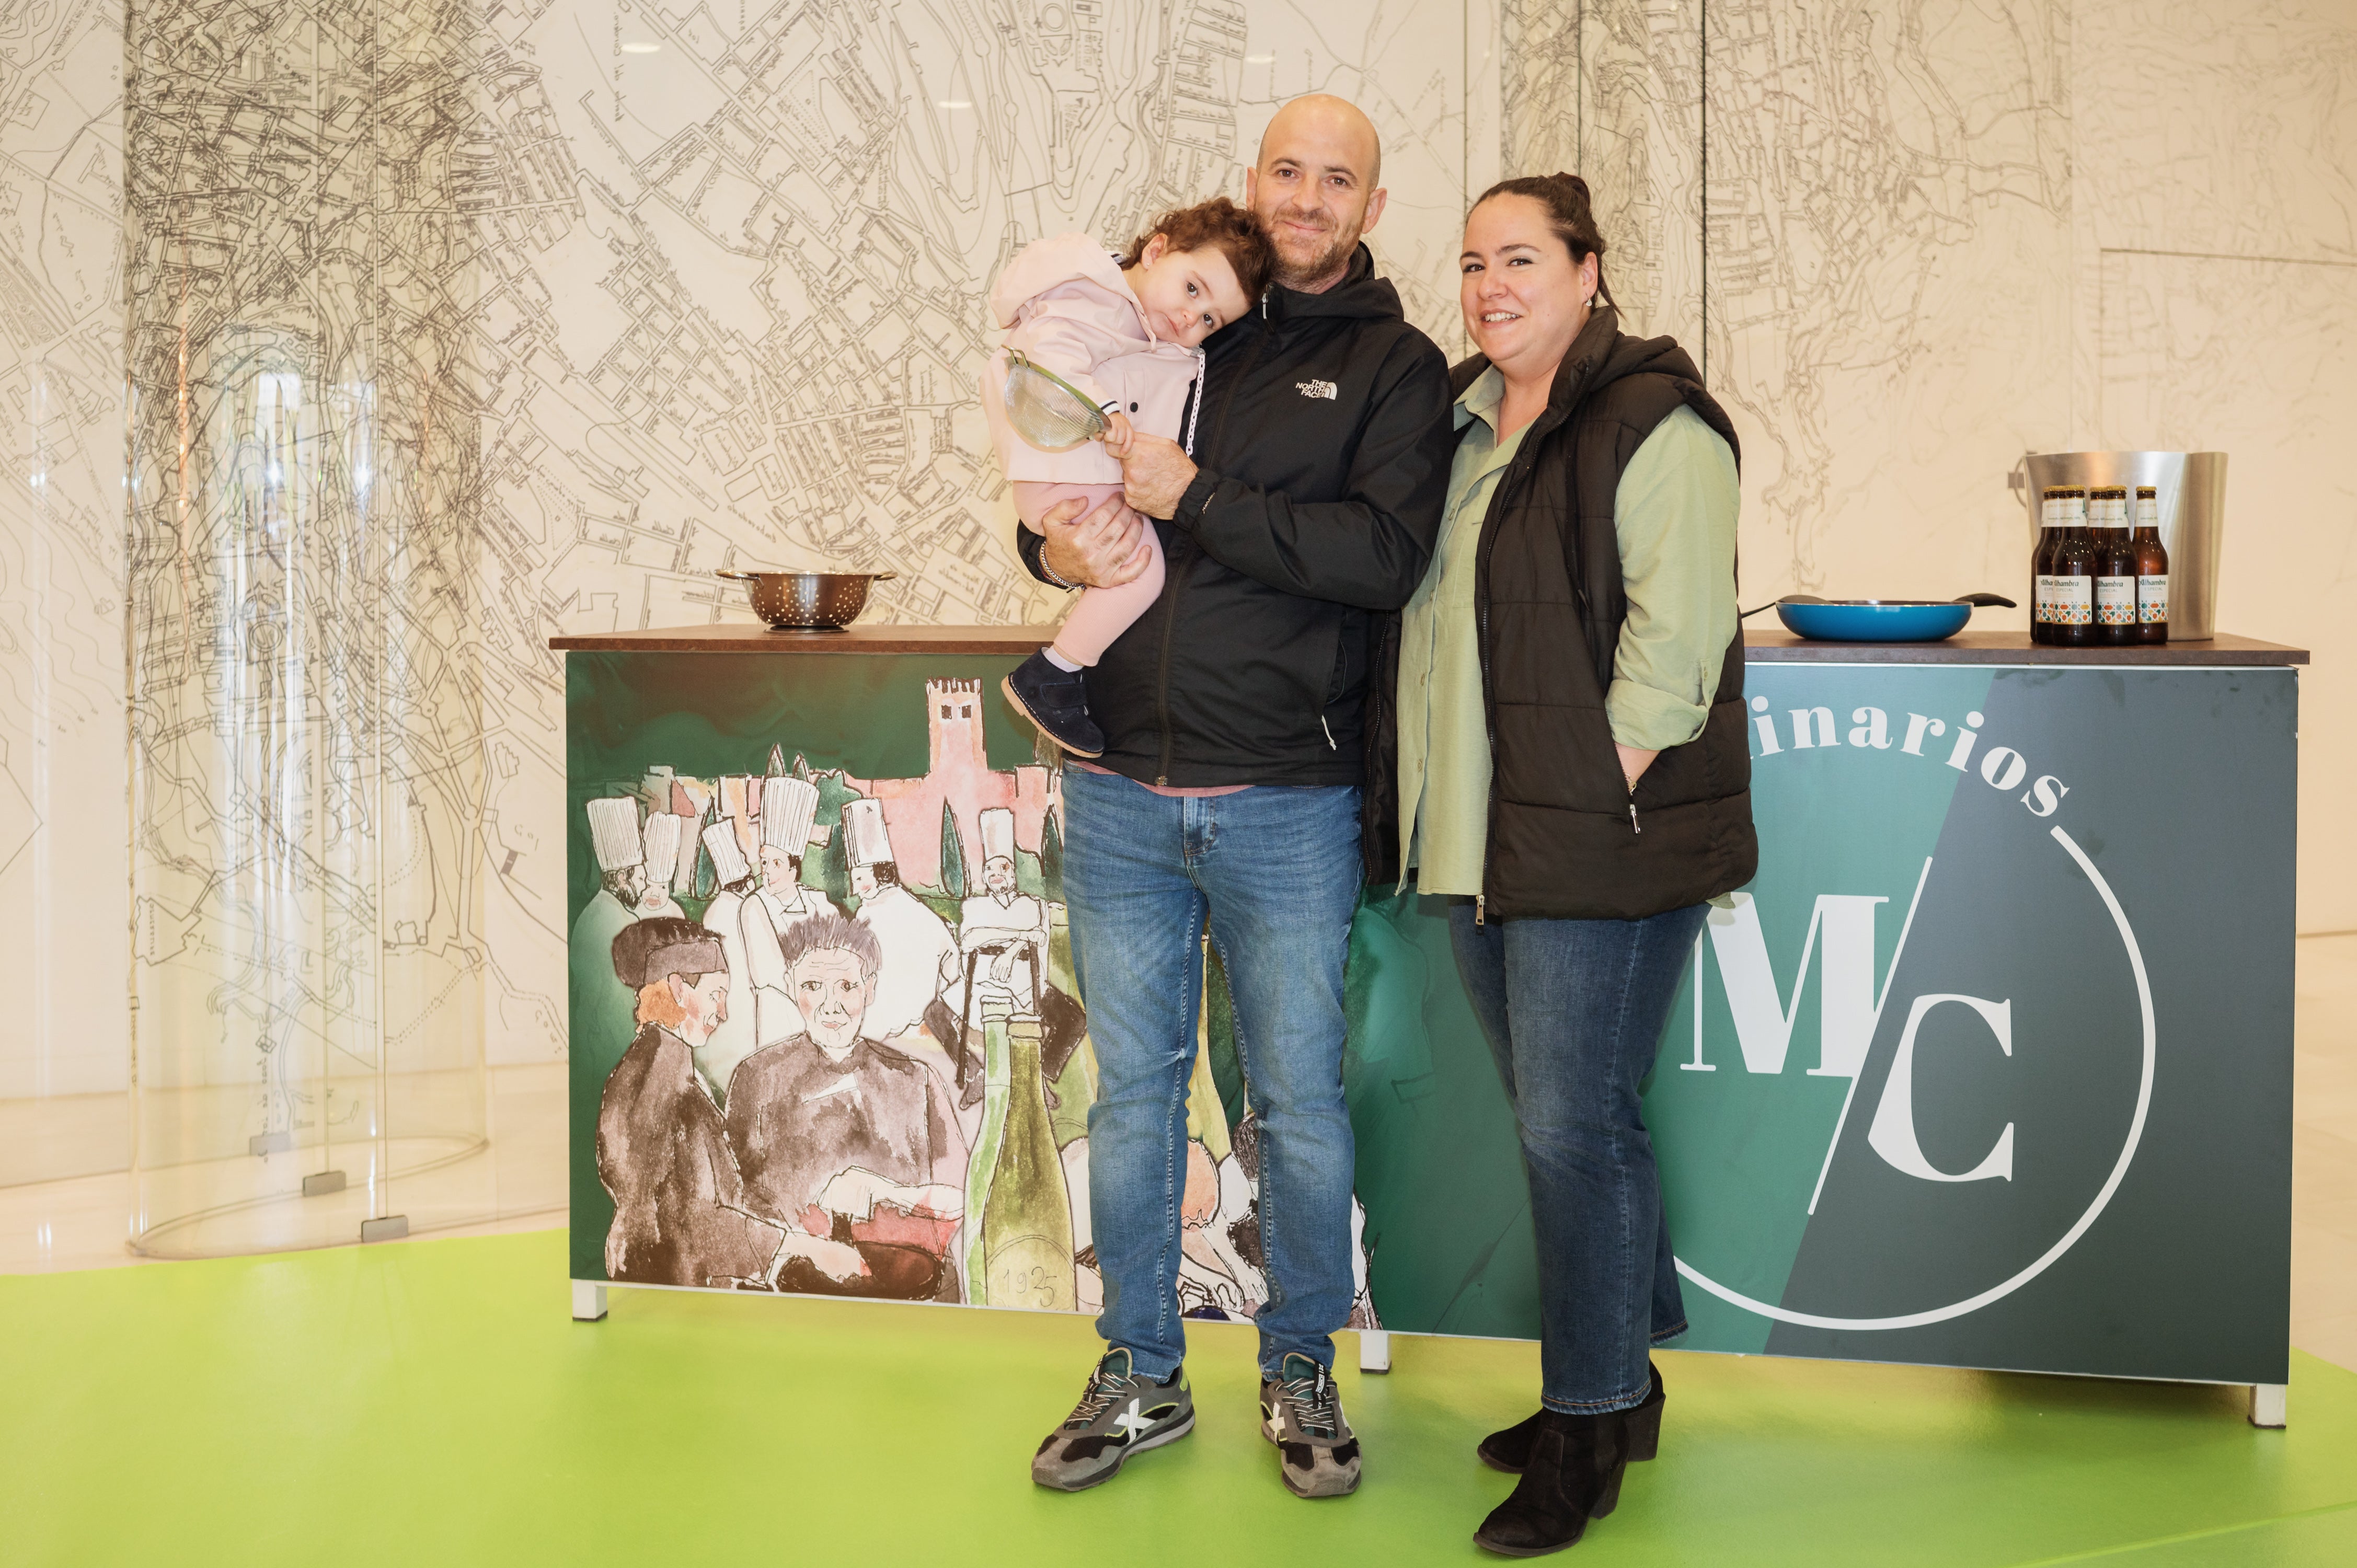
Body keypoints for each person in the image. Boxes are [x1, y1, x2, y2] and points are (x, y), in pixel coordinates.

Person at [1022, 94, 1455, 1500]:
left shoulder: (1394, 367)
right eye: (1287, 170)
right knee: (1133, 1099)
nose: (1307, 197)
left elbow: (1382, 555)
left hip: (1284, 797)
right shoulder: (1172, 321)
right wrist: (1054, 556)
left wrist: (1194, 494)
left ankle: (1301, 1367)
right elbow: (1060, 476)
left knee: (1298, 1104)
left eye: (1338, 180)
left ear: (1369, 210)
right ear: (1249, 182)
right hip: (1119, 791)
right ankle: (1139, 1373)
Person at [1369, 173, 1754, 1555]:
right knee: (1568, 1115)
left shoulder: (1652, 421)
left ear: (1589, 271)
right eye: (1470, 263)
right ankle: (1620, 1385)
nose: (1488, 286)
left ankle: (1585, 1422)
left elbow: (1675, 644)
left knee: (1567, 1130)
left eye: (1519, 258)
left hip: (1593, 847)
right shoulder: (1465, 427)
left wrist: (1601, 792)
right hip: (1476, 849)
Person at [988, 200, 1274, 758]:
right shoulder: (1094, 299)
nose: (1192, 320)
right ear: (1158, 249)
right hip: (1066, 474)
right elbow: (1050, 355)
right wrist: (1106, 410)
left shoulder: (1140, 325)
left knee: (1132, 571)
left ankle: (1057, 674)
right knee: (1141, 575)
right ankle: (1052, 675)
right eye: (1193, 289)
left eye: (1211, 319)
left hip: (1070, 476)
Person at [725, 912, 968, 1301]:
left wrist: (880, 1192)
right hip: (798, 1294)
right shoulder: (758, 1077)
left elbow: (963, 1195)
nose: (830, 1006)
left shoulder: (915, 1079)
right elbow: (736, 1201)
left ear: (869, 989)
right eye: (812, 986)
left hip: (918, 1292)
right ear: (789, 986)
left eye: (846, 987)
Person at [595, 918, 797, 1288]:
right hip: (671, 1283)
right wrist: (793, 1247)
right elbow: (693, 1220)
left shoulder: (661, 1066)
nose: (723, 1013)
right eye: (716, 994)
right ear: (678, 989)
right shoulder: (657, 1083)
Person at [843, 797, 957, 1047]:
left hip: (884, 1029)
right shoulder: (912, 909)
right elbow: (952, 963)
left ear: (880, 873)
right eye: (854, 879)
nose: (855, 889)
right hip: (917, 1023)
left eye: (860, 878)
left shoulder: (877, 914)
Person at [741, 774, 825, 1048]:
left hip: (819, 1013)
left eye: (776, 864)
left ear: (793, 867)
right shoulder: (754, 906)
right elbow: (769, 973)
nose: (766, 873)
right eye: (764, 863)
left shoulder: (818, 904)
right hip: (778, 1013)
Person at [694, 819, 764, 1102]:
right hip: (739, 1003)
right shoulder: (744, 909)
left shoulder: (713, 910)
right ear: (743, 883)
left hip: (719, 1001)